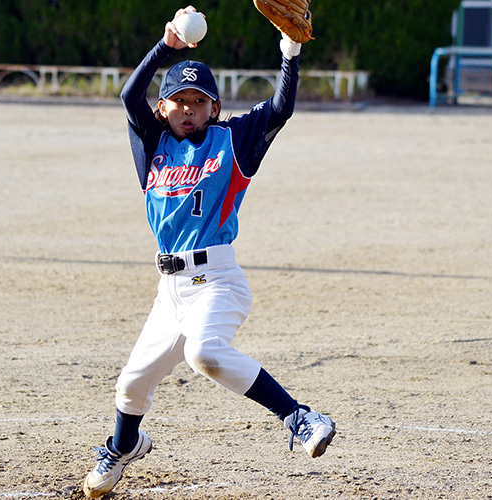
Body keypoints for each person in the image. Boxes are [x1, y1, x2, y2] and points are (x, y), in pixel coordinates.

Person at [82, 6, 334, 498]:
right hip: (169, 291)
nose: (189, 108)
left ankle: (301, 417)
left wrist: (290, 50)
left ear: (215, 109)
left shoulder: (231, 140)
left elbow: (280, 109)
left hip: (218, 280)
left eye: (200, 101)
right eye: (179, 101)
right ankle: (123, 448)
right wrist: (167, 46)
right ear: (163, 109)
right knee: (131, 386)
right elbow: (128, 94)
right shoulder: (151, 143)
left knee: (204, 352)